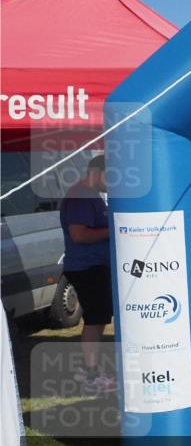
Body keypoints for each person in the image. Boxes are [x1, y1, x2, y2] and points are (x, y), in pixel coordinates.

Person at [59, 155, 116, 395]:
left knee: (98, 318)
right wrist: (112, 229)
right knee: (95, 319)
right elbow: (79, 235)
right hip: (86, 267)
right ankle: (90, 374)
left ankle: (89, 370)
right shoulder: (80, 195)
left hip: (93, 266)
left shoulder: (91, 195)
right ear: (98, 171)